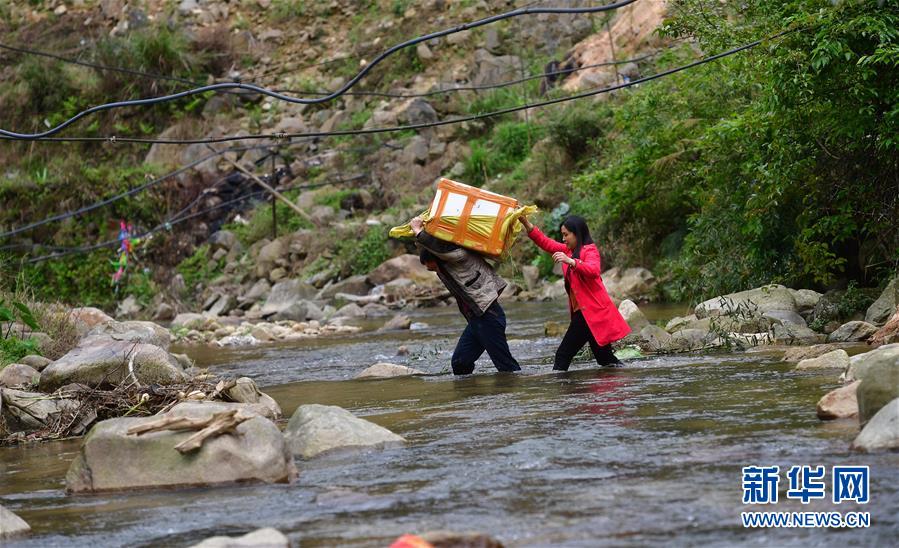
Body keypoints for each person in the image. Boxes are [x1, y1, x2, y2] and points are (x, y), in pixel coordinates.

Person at [411, 216, 521, 375]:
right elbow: (431, 246)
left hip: (489, 317)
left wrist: (418, 231)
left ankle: (517, 393)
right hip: (477, 320)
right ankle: (472, 394)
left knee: (506, 367)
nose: (434, 272)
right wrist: (419, 237)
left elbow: (439, 248)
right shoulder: (445, 268)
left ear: (439, 259)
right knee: (460, 363)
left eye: (432, 268)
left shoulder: (458, 257)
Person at [519, 215, 630, 371]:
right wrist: (525, 222)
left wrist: (571, 262)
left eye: (566, 234)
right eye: (562, 235)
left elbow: (593, 270)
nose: (563, 239)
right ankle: (627, 377)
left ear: (577, 233)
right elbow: (546, 242)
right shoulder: (568, 251)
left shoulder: (589, 250)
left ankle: (566, 394)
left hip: (590, 314)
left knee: (562, 356)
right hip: (586, 314)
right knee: (605, 359)